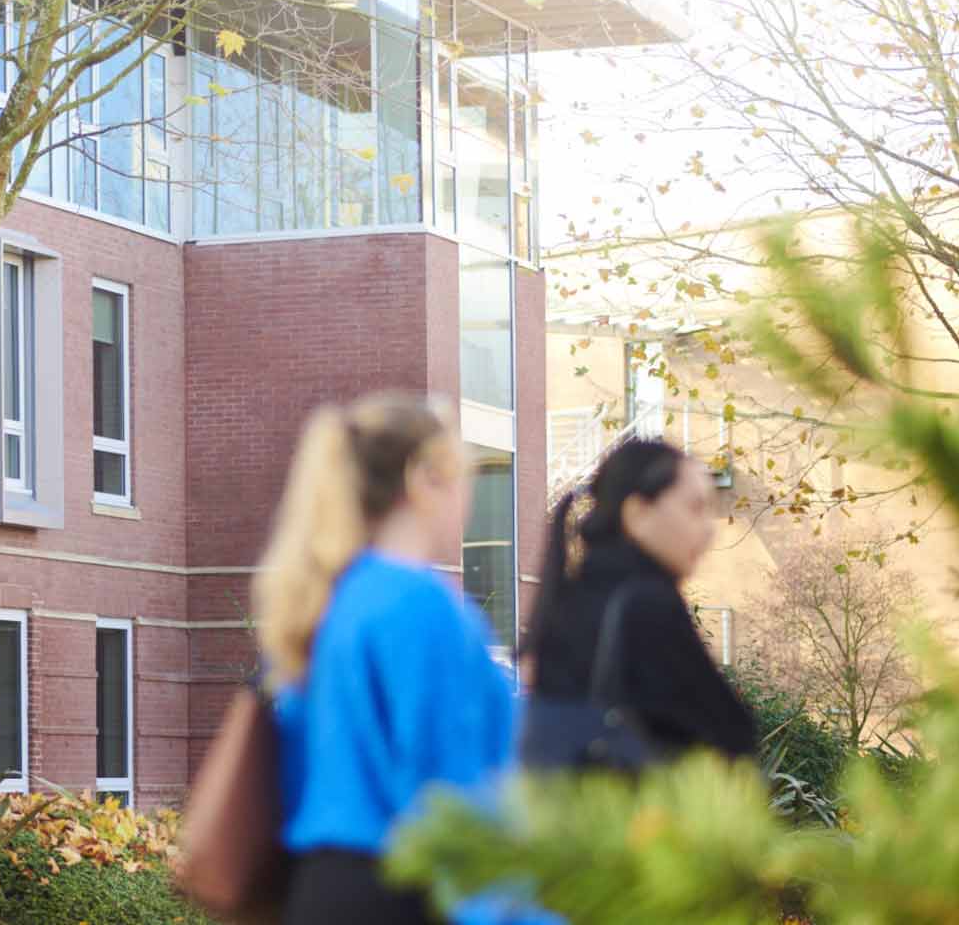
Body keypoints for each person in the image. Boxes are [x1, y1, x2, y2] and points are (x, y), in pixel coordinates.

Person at [258, 394, 529, 925]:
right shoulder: (421, 603)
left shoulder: (330, 599)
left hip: (323, 891)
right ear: (425, 477)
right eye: (467, 475)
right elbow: (450, 797)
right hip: (404, 893)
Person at [520, 436, 757, 765]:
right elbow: (730, 735)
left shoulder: (569, 597)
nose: (709, 530)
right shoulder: (647, 603)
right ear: (637, 513)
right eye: (696, 508)